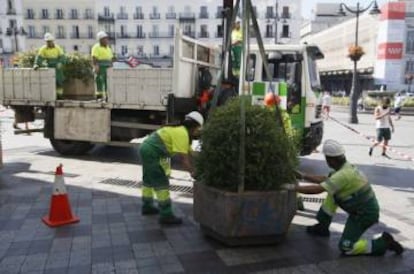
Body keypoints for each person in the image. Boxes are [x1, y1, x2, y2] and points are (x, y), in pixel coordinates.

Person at [282, 139, 404, 256]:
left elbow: (318, 189)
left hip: (364, 215)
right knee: (332, 193)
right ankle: (322, 227)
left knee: (346, 247)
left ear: (331, 160)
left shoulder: (342, 175)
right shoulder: (345, 167)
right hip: (361, 209)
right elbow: (326, 180)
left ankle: (382, 244)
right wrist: (303, 176)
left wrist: (292, 188)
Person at [139, 111, 204, 225]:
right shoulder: (182, 134)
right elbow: (184, 161)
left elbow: (191, 153)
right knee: (161, 182)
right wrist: (193, 172)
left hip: (146, 149)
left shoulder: (181, 131)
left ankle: (147, 206)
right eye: (198, 129)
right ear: (193, 127)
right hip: (151, 153)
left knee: (148, 180)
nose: (197, 132)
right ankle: (166, 214)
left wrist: (203, 158)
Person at [33, 32, 66, 98]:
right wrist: (36, 64)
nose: (49, 43)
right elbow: (39, 58)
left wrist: (60, 63)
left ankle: (60, 96)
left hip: (57, 68)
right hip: (49, 67)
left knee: (59, 82)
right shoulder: (43, 49)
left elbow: (63, 57)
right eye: (47, 42)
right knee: (50, 83)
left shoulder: (57, 48)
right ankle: (52, 96)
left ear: (52, 41)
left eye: (50, 41)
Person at [91, 31, 115, 100]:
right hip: (100, 67)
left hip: (108, 67)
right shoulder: (96, 47)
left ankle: (108, 97)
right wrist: (96, 66)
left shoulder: (108, 48)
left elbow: (110, 58)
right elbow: (94, 57)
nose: (106, 40)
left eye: (107, 38)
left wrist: (112, 62)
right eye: (105, 39)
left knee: (107, 82)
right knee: (99, 81)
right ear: (100, 40)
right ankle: (99, 96)